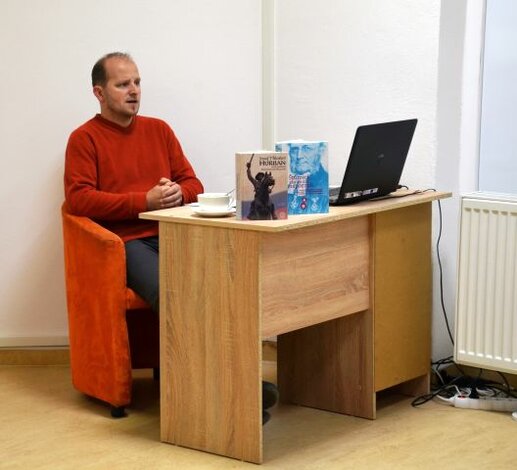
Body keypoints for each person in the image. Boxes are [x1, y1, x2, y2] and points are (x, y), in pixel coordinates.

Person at [64, 51, 277, 422]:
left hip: (173, 234)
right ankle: (223, 394)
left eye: (137, 82)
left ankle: (234, 382)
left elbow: (193, 183)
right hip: (125, 244)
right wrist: (143, 201)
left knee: (224, 284)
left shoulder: (159, 130)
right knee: (175, 293)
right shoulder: (84, 139)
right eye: (122, 84)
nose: (134, 91)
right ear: (99, 93)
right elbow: (79, 199)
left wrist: (179, 193)